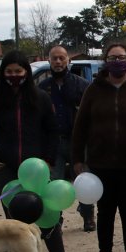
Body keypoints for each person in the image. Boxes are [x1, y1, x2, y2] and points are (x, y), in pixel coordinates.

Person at [0, 51, 83, 252]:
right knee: (14, 219)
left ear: (26, 72)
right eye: (9, 72)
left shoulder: (40, 98)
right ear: (2, 73)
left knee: (48, 214)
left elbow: (52, 132)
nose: (14, 76)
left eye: (19, 71)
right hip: (5, 167)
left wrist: (47, 159)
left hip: (36, 168)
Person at [72, 42, 126, 252]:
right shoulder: (93, 90)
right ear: (105, 61)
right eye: (112, 57)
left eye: (122, 57)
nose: (117, 61)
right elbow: (80, 126)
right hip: (100, 162)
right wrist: (77, 158)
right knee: (105, 211)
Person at [40, 45, 94, 232]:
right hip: (53, 144)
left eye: (62, 58)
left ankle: (88, 216)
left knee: (84, 180)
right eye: (54, 58)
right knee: (54, 184)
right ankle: (56, 219)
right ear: (49, 61)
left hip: (77, 142)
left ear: (68, 61)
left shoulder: (83, 86)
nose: (58, 62)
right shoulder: (42, 88)